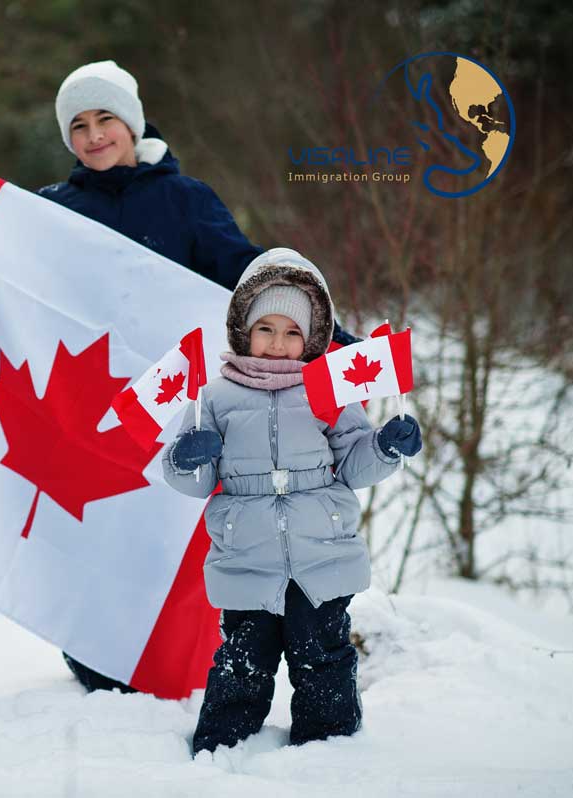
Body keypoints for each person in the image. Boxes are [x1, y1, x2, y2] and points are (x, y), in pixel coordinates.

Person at [0, 60, 357, 694]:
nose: (93, 134)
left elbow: (250, 279)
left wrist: (333, 341)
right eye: (77, 125)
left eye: (105, 118)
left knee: (161, 534)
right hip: (77, 412)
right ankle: (95, 656)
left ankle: (174, 658)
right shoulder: (54, 209)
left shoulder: (185, 200)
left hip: (172, 409)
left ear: (131, 124)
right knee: (88, 535)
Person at [159, 247, 422, 753]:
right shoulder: (214, 397)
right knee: (242, 658)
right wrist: (186, 458)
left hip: (320, 552)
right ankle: (222, 746)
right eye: (266, 329)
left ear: (312, 338)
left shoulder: (328, 392)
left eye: (292, 332)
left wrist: (385, 447)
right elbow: (193, 480)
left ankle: (329, 750)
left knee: (321, 654)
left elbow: (353, 462)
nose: (278, 343)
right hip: (246, 555)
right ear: (242, 330)